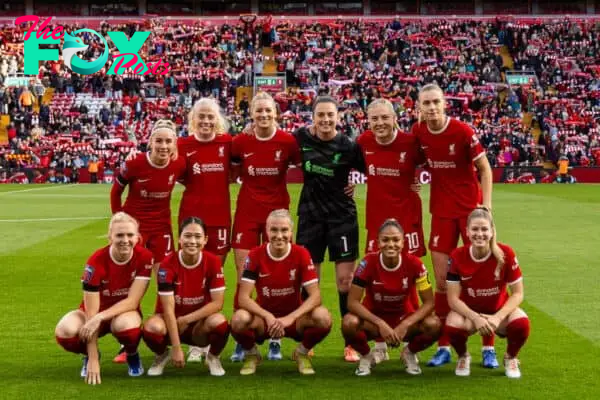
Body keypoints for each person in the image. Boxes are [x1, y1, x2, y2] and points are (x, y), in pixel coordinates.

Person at [411, 84, 496, 368]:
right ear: (419, 107)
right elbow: (413, 160)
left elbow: (485, 168)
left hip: (471, 212)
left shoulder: (462, 131)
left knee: (481, 279)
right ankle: (445, 345)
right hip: (441, 213)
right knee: (442, 281)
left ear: (444, 103)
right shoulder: (419, 131)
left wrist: (486, 208)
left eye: (436, 102)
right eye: (426, 103)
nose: (432, 107)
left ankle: (488, 346)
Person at [230, 92, 301, 362]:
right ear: (251, 114)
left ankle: (275, 338)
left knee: (277, 278)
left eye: (267, 111)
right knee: (243, 277)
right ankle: (243, 339)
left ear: (276, 113)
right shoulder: (240, 142)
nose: (263, 115)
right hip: (247, 213)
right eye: (258, 111)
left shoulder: (287, 141)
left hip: (277, 216)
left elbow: (304, 167)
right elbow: (233, 172)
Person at [295, 95, 365, 362]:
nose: (325, 119)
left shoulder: (348, 146)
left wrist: (355, 184)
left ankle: (351, 341)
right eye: (320, 115)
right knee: (309, 279)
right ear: (313, 116)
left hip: (342, 218)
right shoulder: (300, 138)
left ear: (339, 117)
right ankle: (308, 337)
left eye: (330, 115)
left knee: (345, 281)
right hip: (311, 217)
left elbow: (377, 169)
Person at [110, 119, 186, 363]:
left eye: (168, 141)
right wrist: (119, 220)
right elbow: (115, 190)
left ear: (175, 145)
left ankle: (157, 327)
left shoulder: (179, 164)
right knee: (131, 282)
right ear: (150, 142)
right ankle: (126, 341)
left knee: (165, 278)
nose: (163, 146)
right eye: (159, 141)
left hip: (162, 229)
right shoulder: (134, 164)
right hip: (136, 230)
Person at [357, 98, 426, 362]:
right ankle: (378, 345)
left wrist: (416, 183)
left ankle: (412, 344)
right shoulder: (363, 142)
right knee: (374, 283)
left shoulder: (410, 143)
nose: (380, 123)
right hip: (377, 222)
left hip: (407, 221)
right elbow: (346, 167)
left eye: (385, 118)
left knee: (411, 282)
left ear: (395, 118)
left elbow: (436, 161)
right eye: (374, 119)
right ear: (368, 121)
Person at [54, 212, 153, 385]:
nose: (125, 240)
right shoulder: (95, 262)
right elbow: (91, 313)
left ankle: (131, 354)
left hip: (123, 312)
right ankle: (88, 355)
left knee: (126, 328)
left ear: (137, 237)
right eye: (119, 235)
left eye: (130, 235)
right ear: (109, 237)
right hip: (92, 313)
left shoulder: (145, 257)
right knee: (65, 332)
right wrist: (93, 358)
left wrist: (101, 316)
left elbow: (132, 301)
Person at [231, 209, 332, 375]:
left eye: (284, 230)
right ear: (267, 231)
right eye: (274, 230)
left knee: (323, 317)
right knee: (238, 319)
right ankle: (252, 354)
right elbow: (243, 298)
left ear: (291, 232)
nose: (279, 235)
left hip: (294, 320)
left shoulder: (301, 253)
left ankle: (302, 353)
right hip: (264, 322)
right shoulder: (255, 255)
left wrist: (290, 318)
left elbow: (316, 297)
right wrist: (267, 316)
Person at [342, 219, 440, 376]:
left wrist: (406, 324)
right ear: (378, 243)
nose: (391, 244)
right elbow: (352, 302)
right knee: (348, 323)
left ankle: (409, 353)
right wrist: (380, 323)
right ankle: (367, 356)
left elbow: (429, 302)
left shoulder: (415, 264)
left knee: (434, 324)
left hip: (403, 320)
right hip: (374, 322)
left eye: (396, 240)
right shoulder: (367, 263)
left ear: (403, 242)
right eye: (385, 240)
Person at [177, 98, 234, 363]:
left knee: (211, 278)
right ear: (193, 119)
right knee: (190, 278)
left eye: (210, 116)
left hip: (220, 221)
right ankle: (191, 338)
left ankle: (203, 337)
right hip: (190, 221)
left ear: (218, 119)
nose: (206, 121)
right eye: (201, 116)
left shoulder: (228, 144)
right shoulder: (182, 145)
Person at [445, 208, 530, 378]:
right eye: (475, 229)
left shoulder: (506, 253)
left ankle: (510, 357)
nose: (480, 234)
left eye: (484, 229)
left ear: (492, 232)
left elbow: (518, 294)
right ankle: (464, 356)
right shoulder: (457, 256)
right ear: (467, 232)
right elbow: (453, 299)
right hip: (470, 315)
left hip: (498, 313)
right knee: (452, 326)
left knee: (522, 324)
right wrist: (475, 317)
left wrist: (497, 317)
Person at [142, 217, 230, 377]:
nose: (192, 241)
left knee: (219, 322)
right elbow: (168, 310)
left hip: (198, 326)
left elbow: (218, 303)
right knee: (152, 328)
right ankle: (162, 355)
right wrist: (176, 348)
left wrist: (187, 319)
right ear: (179, 239)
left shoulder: (213, 262)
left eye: (197, 236)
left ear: (205, 240)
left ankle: (213, 357)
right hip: (171, 322)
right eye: (188, 236)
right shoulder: (167, 265)